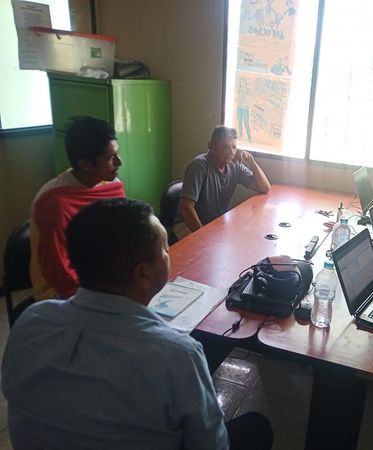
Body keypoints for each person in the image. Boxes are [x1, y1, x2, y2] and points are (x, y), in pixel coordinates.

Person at [2, 198, 273, 450]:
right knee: (256, 427)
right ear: (142, 273)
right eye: (165, 249)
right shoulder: (177, 354)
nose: (169, 253)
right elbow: (211, 445)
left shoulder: (31, 321)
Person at [29, 115, 125, 300]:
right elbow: (60, 272)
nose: (119, 162)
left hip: (100, 276)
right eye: (110, 157)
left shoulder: (109, 185)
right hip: (58, 290)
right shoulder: (53, 203)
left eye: (117, 154)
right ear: (85, 165)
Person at [174, 125, 271, 240]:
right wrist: (201, 237)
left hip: (213, 223)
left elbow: (264, 187)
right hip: (189, 225)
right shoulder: (199, 166)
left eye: (234, 147)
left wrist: (250, 160)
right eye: (225, 147)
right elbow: (186, 206)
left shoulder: (235, 165)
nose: (231, 152)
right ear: (211, 147)